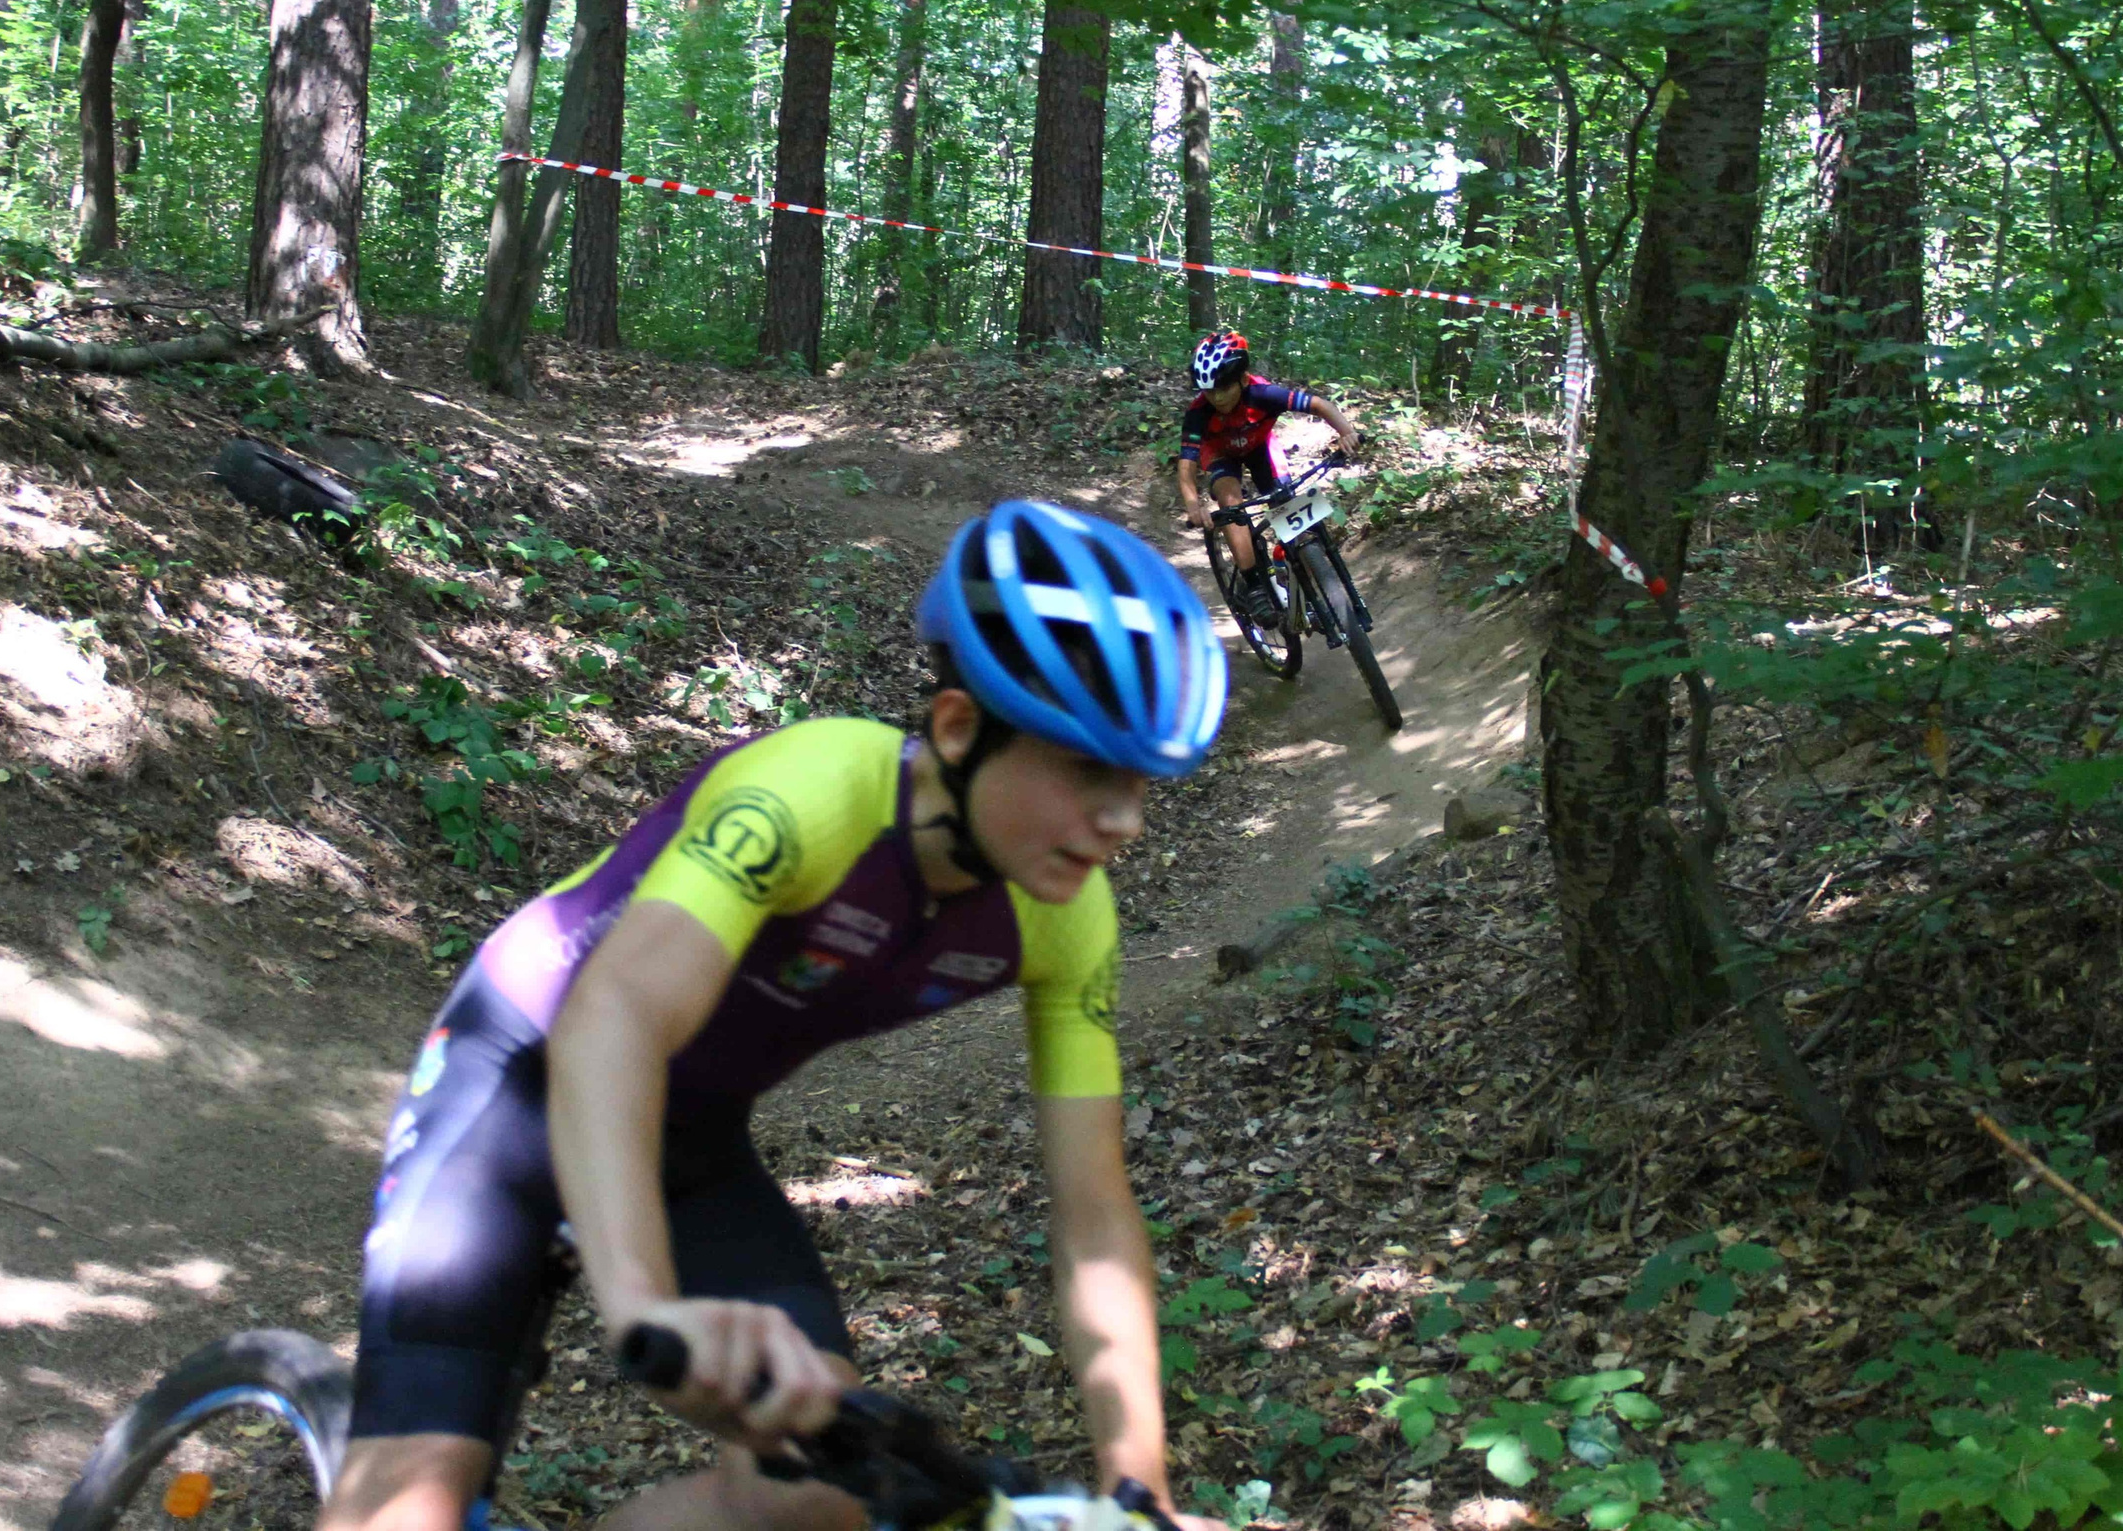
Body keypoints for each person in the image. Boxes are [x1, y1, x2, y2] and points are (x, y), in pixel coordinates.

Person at [322, 502, 1231, 1531]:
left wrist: (1138, 1490)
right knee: (405, 1505)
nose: (1123, 822)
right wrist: (647, 1304)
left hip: (687, 1135)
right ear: (957, 729)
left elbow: (1094, 1216)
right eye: (1086, 771)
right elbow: (613, 1013)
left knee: (816, 1495)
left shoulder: (1065, 918)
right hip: (517, 1082)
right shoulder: (811, 794)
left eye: (1141, 784)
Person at [1174, 332, 1362, 627]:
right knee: (1229, 500)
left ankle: (1307, 569)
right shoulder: (1199, 412)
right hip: (1220, 454)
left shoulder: (1263, 394)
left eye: (1224, 387)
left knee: (1286, 501)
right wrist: (1192, 505)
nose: (1217, 397)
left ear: (1244, 379)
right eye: (1208, 391)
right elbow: (1186, 466)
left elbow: (1319, 405)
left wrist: (1346, 432)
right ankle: (1252, 584)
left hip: (1261, 447)